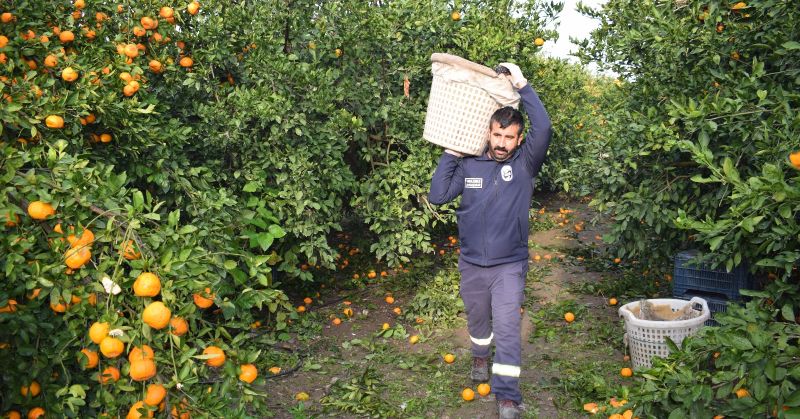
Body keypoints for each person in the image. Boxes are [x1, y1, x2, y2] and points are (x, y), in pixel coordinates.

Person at [427, 62, 551, 419]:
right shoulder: (470, 163)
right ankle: (480, 356)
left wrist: (523, 84)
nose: (501, 143)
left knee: (509, 328)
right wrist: (451, 151)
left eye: (508, 137)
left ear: (519, 139)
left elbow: (544, 126)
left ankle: (508, 396)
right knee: (478, 320)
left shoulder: (526, 164)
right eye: (497, 135)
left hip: (509, 264)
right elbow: (438, 195)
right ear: (488, 132)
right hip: (471, 262)